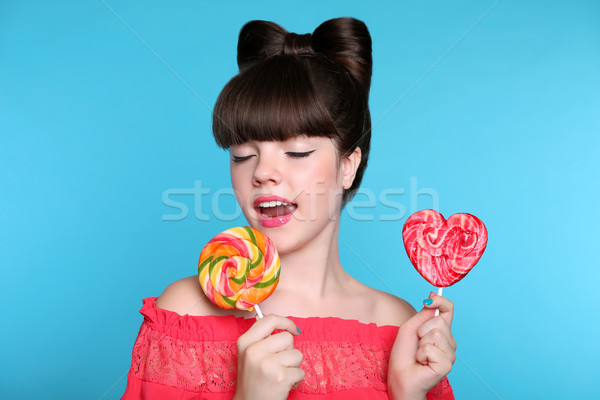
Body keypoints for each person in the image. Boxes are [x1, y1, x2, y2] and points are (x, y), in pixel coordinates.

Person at [121, 17, 456, 400]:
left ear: (347, 165)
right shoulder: (185, 312)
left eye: (296, 152)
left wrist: (406, 394)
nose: (262, 172)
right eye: (243, 155)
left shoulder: (399, 324)